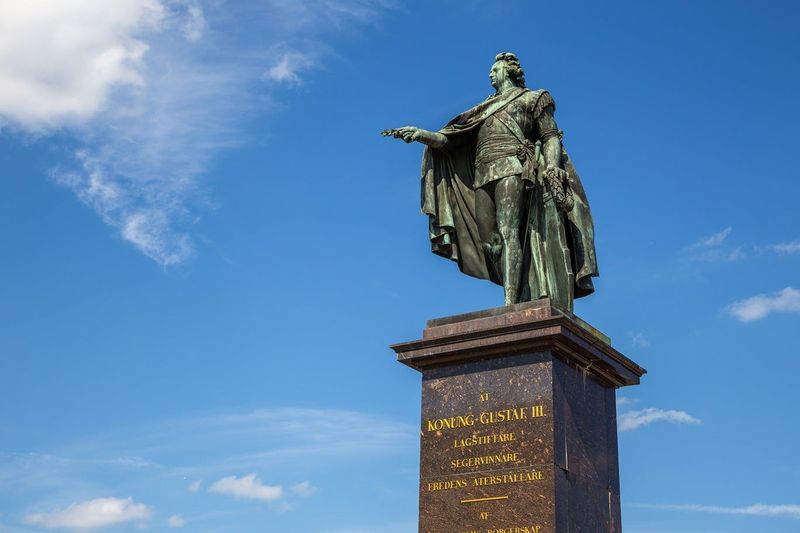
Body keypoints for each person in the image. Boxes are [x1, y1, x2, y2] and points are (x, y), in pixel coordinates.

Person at [384, 52, 598, 311]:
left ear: (509, 71)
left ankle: (511, 302)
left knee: (508, 233)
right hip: (483, 173)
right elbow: (448, 141)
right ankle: (518, 287)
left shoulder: (533, 98)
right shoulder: (483, 110)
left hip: (514, 169)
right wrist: (421, 134)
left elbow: (551, 136)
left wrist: (552, 166)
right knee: (490, 242)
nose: (490, 74)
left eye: (494, 70)